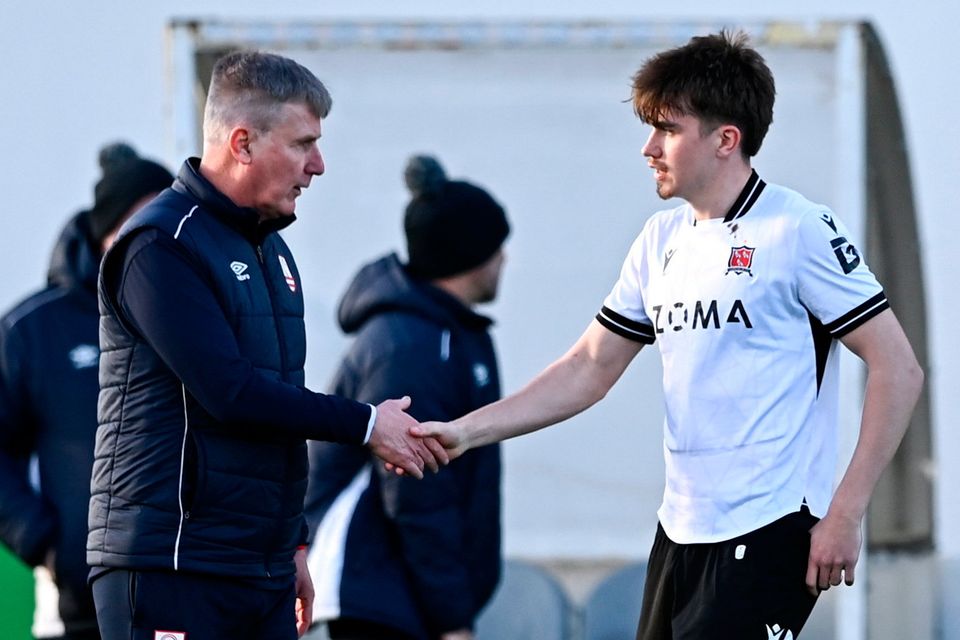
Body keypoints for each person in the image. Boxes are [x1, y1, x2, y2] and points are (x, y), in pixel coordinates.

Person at [414, 30, 924, 640]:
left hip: (769, 528)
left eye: (667, 130)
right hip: (679, 532)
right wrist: (466, 433)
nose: (648, 147)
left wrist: (846, 512)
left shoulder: (799, 230)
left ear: (725, 140)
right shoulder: (660, 241)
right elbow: (588, 369)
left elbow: (899, 368)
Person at [87, 51, 446, 640]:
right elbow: (230, 392)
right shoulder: (160, 244)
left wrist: (293, 542)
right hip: (172, 566)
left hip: (259, 568)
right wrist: (365, 425)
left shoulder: (272, 250)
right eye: (304, 144)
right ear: (243, 143)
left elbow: (278, 407)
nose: (319, 166)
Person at [304, 155, 509, 640]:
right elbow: (416, 491)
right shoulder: (412, 347)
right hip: (378, 597)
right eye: (497, 246)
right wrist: (451, 619)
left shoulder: (447, 333)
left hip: (403, 595)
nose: (504, 259)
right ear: (470, 254)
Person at [0, 142, 174, 640]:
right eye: (142, 220)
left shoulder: (199, 319)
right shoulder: (33, 329)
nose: (156, 237)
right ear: (105, 235)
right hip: (76, 605)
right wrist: (48, 544)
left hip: (186, 597)